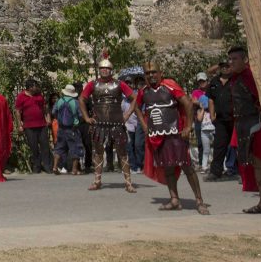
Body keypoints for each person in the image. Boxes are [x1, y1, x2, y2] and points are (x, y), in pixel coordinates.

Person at [132, 61, 210, 214]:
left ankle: (199, 201)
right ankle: (174, 199)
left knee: (187, 167)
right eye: (147, 73)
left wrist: (188, 126)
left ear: (160, 72)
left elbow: (187, 103)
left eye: (154, 72)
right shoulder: (144, 91)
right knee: (167, 167)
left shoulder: (170, 85)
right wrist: (145, 126)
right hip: (157, 136)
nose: (151, 75)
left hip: (175, 133)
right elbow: (136, 107)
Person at [225, 47, 261, 215]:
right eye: (230, 59)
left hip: (257, 124)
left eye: (235, 59)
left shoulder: (250, 77)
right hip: (243, 124)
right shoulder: (236, 77)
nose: (231, 62)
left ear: (245, 59)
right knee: (256, 164)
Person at [79, 58, 136, 192]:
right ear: (99, 70)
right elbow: (81, 99)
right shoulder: (92, 84)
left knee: (122, 153)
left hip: (117, 123)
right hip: (99, 123)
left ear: (111, 70)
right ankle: (97, 181)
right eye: (102, 68)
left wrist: (127, 115)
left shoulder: (119, 84)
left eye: (107, 68)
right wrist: (86, 117)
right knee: (98, 152)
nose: (104, 70)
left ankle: (128, 183)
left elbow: (134, 98)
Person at [204, 62, 235, 179]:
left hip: (235, 118)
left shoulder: (235, 79)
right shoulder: (214, 81)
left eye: (227, 66)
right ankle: (216, 172)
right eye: (223, 66)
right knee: (219, 146)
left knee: (240, 145)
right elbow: (211, 99)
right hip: (221, 119)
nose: (225, 68)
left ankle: (241, 172)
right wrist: (212, 115)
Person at [15, 79, 50, 173]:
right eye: (35, 86)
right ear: (30, 87)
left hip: (42, 125)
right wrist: (19, 125)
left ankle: (47, 166)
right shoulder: (21, 96)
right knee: (33, 147)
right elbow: (18, 111)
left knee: (45, 146)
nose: (37, 88)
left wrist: (48, 119)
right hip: (29, 126)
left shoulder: (39, 95)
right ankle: (37, 166)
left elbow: (45, 108)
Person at [52, 84, 84, 175]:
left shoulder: (59, 101)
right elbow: (81, 115)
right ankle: (74, 170)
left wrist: (59, 119)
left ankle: (55, 167)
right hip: (72, 129)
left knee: (59, 147)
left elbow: (53, 112)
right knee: (76, 148)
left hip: (61, 128)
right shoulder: (75, 102)